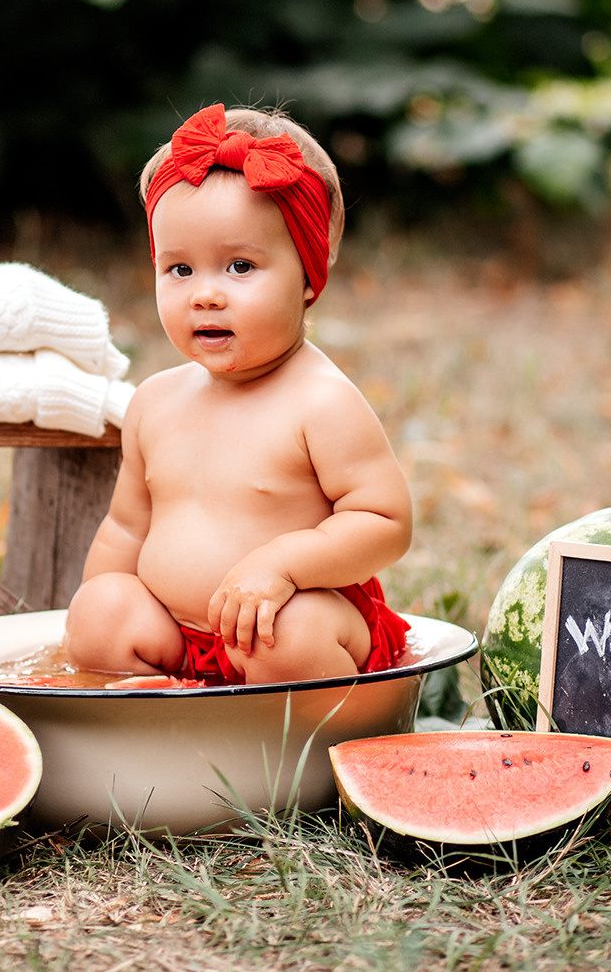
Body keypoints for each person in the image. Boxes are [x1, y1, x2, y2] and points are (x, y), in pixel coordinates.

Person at [64, 104, 415, 684]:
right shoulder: (153, 401)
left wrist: (282, 564)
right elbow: (126, 528)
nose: (205, 295)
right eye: (179, 270)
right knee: (101, 610)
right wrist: (92, 609)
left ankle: (330, 740)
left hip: (295, 635)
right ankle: (154, 725)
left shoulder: (320, 402)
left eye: (240, 266)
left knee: (288, 632)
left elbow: (383, 522)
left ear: (308, 277)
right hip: (184, 642)